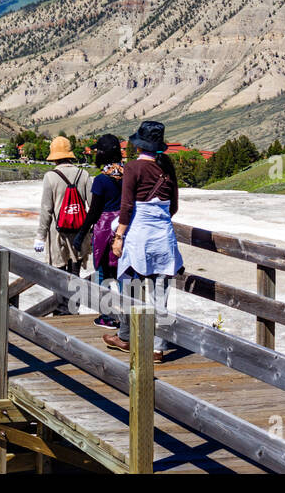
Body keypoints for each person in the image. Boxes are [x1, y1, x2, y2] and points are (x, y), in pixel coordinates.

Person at [104, 121, 183, 364]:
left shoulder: (133, 168)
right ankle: (158, 348)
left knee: (130, 285)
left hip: (139, 237)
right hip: (164, 238)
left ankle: (127, 336)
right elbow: (174, 206)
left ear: (139, 145)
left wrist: (118, 237)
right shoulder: (167, 167)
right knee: (160, 292)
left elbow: (126, 206)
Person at [75, 134, 124, 329]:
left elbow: (94, 211)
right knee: (122, 273)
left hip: (105, 230)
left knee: (103, 273)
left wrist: (81, 233)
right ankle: (127, 319)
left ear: (102, 154)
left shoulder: (101, 180)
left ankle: (108, 316)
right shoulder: (127, 174)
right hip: (124, 227)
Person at [34, 137, 94, 276]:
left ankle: (61, 298)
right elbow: (92, 205)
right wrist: (90, 231)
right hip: (79, 233)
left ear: (54, 157)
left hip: (58, 234)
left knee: (59, 276)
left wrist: (40, 236)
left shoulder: (50, 176)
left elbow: (46, 210)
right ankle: (74, 297)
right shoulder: (83, 175)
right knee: (75, 274)